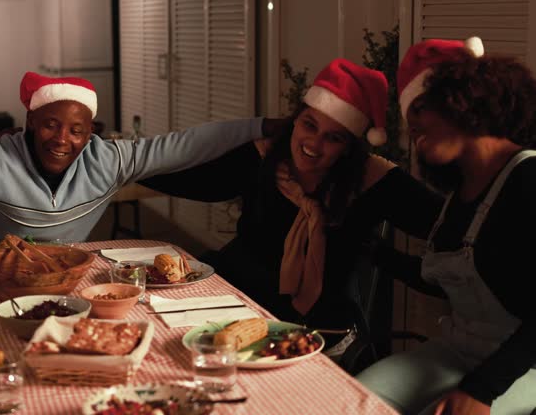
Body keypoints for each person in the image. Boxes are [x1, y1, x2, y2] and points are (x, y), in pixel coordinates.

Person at [137, 59, 443, 337]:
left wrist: (380, 254)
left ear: (348, 148)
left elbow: (449, 226)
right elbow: (196, 182)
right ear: (295, 120)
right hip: (233, 294)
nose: (314, 143)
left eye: (333, 138)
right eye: (310, 125)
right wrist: (121, 164)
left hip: (317, 324)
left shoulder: (374, 179)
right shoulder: (264, 156)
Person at [0, 71, 274, 245]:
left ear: (91, 132)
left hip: (70, 279)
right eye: (51, 125)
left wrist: (264, 127)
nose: (62, 140)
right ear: (31, 120)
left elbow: (187, 144)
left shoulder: (110, 160)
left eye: (77, 130)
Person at [357, 38, 536, 415]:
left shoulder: (528, 179)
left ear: (466, 98)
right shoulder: (461, 191)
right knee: (353, 401)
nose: (413, 130)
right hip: (457, 351)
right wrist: (373, 252)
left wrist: (482, 390)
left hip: (524, 365)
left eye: (421, 108)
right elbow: (455, 280)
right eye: (409, 120)